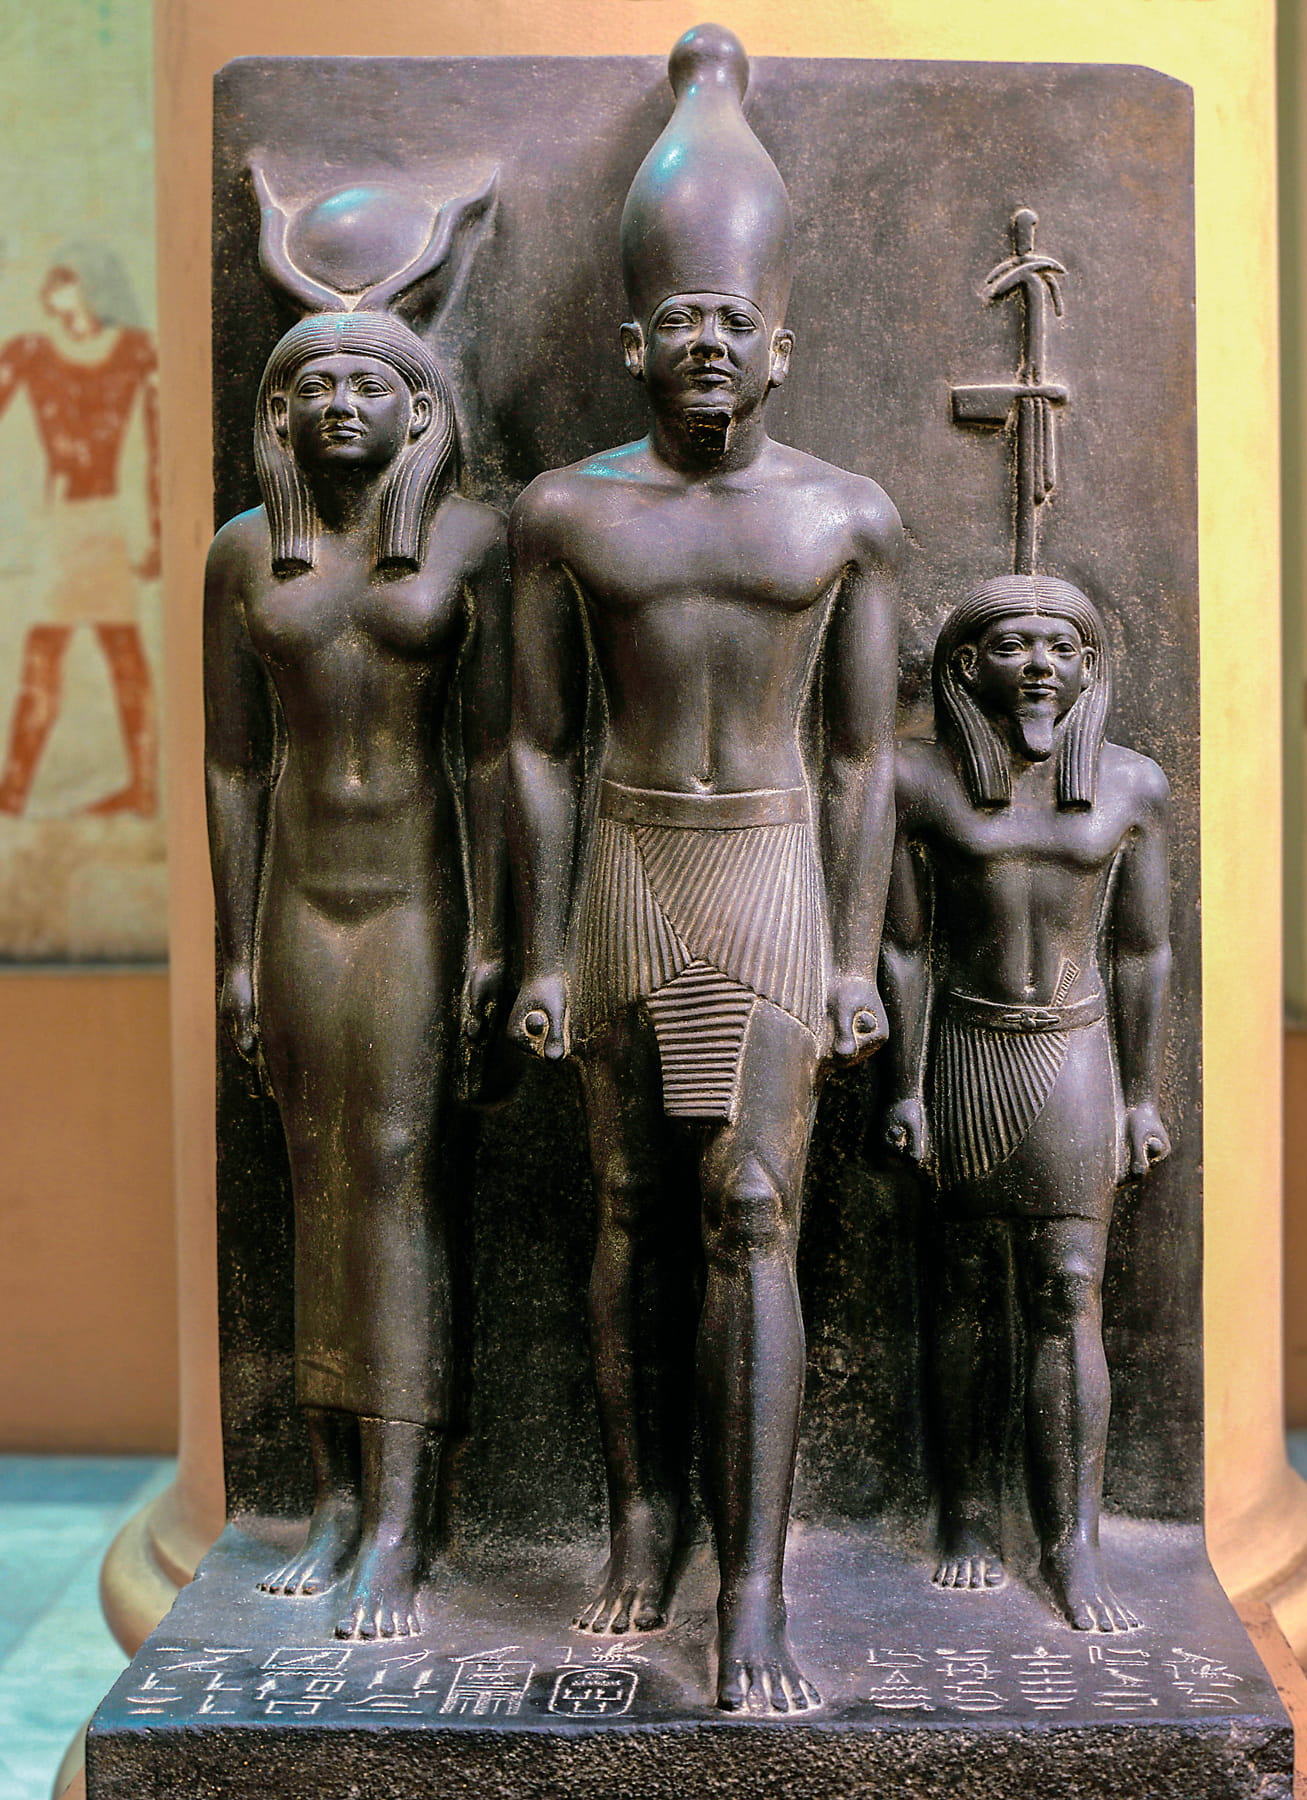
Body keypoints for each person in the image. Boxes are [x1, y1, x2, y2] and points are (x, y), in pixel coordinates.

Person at [507, 26, 902, 1714]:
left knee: (748, 1210)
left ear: (780, 341)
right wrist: (537, 950)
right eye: (677, 321)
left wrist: (856, 956)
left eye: (731, 322)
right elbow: (532, 746)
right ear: (630, 342)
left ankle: (750, 1594)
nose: (704, 347)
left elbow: (862, 756)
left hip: (763, 881)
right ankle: (641, 1519)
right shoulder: (567, 516)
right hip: (631, 875)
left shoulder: (839, 518)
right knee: (628, 1204)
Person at [204, 309, 508, 1639]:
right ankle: (332, 1494)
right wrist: (232, 952)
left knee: (390, 1170)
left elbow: (498, 758)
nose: (337, 401)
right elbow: (233, 765)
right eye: (311, 383)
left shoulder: (468, 542)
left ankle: (402, 1514)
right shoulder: (241, 554)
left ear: (417, 412)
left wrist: (497, 934)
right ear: (278, 417)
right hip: (296, 896)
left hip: (415, 892)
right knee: (311, 1176)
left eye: (365, 382)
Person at [882, 574, 1171, 1634]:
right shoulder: (917, 781)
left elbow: (1142, 952)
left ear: (1089, 667)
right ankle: (964, 1514)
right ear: (966, 666)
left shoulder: (1132, 785)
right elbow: (904, 949)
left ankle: (1072, 1542)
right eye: (1013, 645)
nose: (1039, 664)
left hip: (1076, 1052)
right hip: (965, 1045)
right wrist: (903, 1086)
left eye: (1060, 647)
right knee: (964, 1283)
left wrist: (1141, 1096)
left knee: (1067, 1288)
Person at [0, 245, 160, 815]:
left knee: (109, 649)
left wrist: (158, 532)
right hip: (65, 525)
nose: (52, 288)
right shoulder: (29, 352)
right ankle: (15, 791)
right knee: (62, 649)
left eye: (64, 277)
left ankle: (138, 786)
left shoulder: (137, 352)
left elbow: (160, 447)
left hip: (104, 523)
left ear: (91, 283)